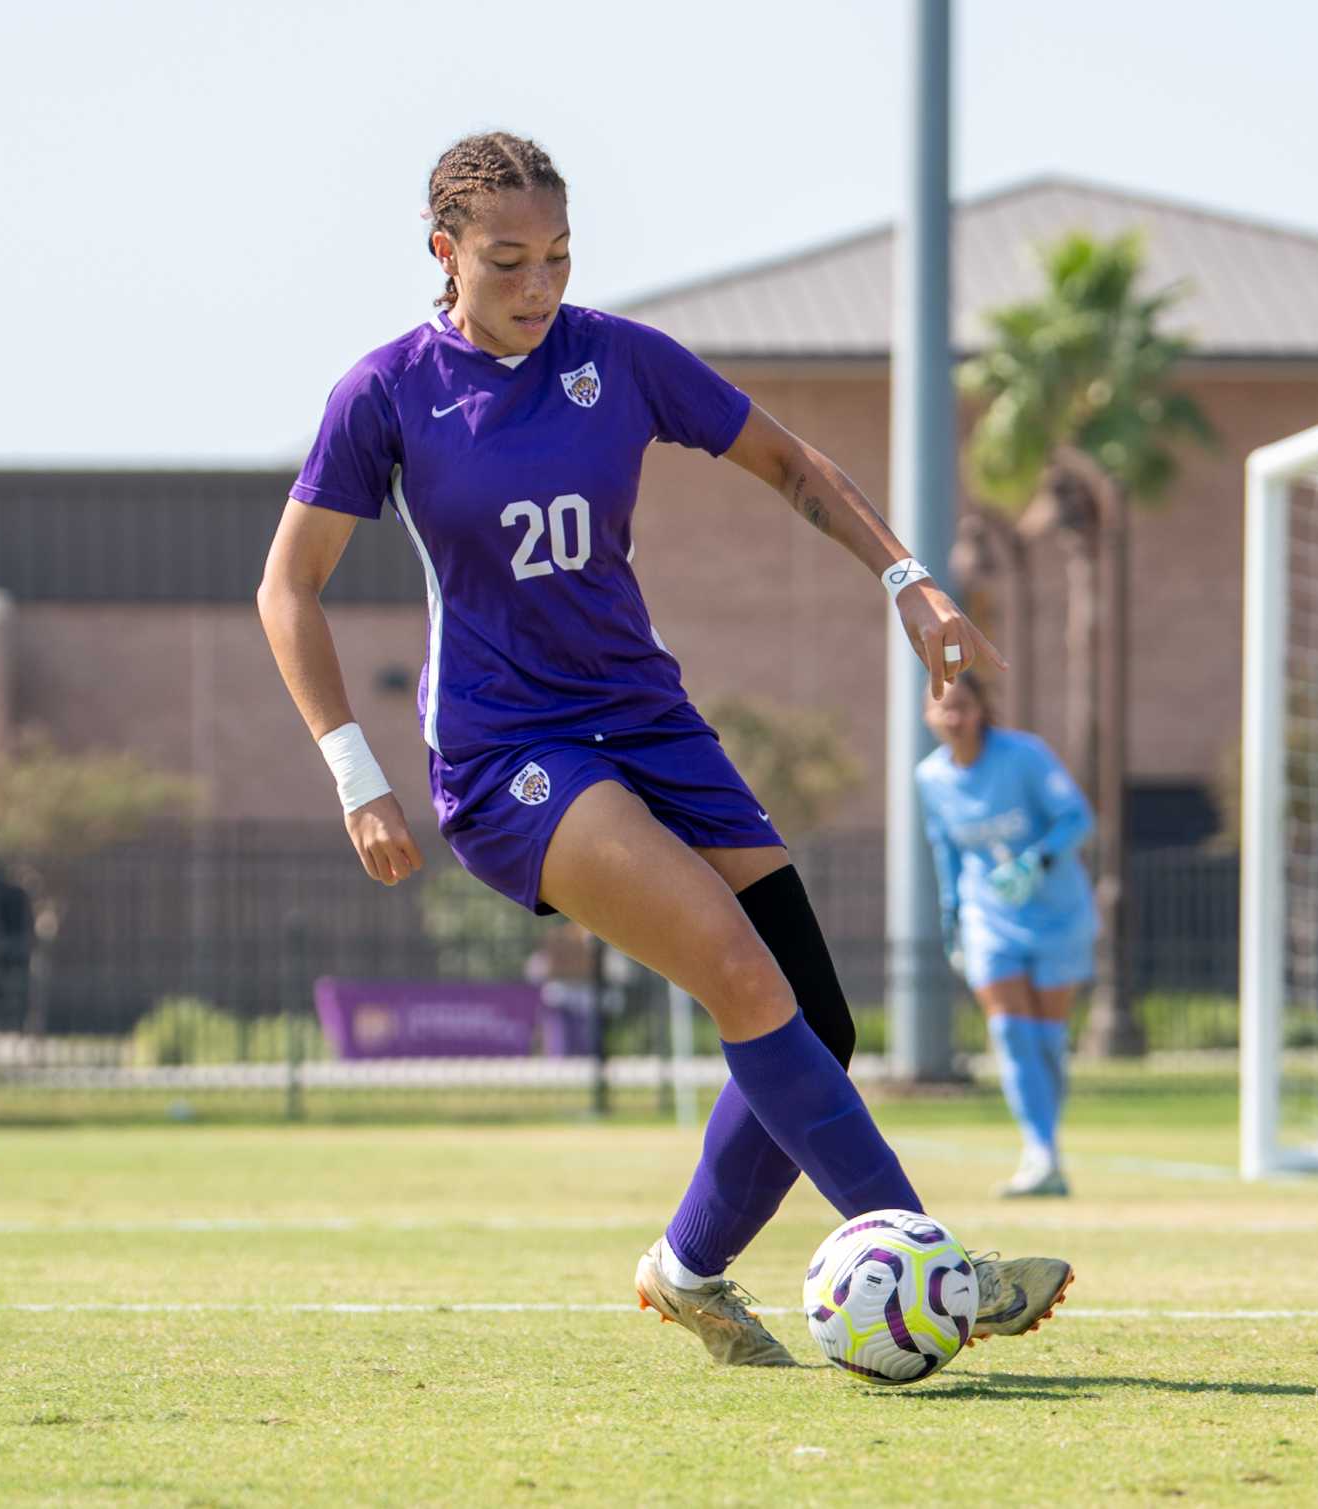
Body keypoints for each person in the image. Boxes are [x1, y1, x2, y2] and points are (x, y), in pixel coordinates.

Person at [258, 131, 1072, 1367]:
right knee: (746, 985)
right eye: (509, 261)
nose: (541, 285)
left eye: (561, 258)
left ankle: (687, 1271)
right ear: (445, 253)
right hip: (508, 754)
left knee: (816, 1020)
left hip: (645, 718)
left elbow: (791, 467)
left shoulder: (620, 360)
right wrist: (355, 775)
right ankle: (933, 1269)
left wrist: (909, 580)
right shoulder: (387, 393)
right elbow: (287, 589)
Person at [918, 673, 1098, 1197]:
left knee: (1046, 1039)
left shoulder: (1026, 755)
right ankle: (1039, 1155)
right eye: (943, 709)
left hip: (1058, 912)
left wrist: (1035, 862)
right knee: (1010, 1033)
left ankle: (1048, 1148)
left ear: (982, 708)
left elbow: (1076, 818)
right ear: (929, 717)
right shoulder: (930, 777)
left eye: (964, 706)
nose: (954, 717)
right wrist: (952, 916)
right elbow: (943, 848)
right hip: (989, 917)